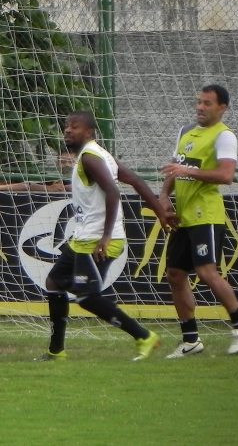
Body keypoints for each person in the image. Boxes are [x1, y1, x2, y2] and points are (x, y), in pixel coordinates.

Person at [41, 111, 169, 362]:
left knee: (87, 297)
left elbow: (113, 192)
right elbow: (135, 180)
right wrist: (160, 213)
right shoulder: (100, 155)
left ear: (89, 132)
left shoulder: (91, 157)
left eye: (74, 127)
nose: (67, 130)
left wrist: (106, 236)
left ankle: (143, 336)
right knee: (54, 283)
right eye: (66, 126)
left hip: (97, 240)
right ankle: (56, 351)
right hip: (82, 239)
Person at [159, 84, 238, 358]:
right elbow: (174, 167)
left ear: (222, 108)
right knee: (175, 275)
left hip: (206, 215)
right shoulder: (184, 132)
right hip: (184, 215)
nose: (200, 107)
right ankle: (190, 340)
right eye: (199, 102)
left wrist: (186, 170)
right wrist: (165, 196)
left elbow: (226, 175)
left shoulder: (224, 137)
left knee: (206, 272)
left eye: (207, 103)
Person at [0, 151, 75, 201]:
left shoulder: (83, 181)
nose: (67, 165)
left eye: (71, 162)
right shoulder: (53, 180)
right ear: (57, 163)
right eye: (63, 162)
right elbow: (27, 186)